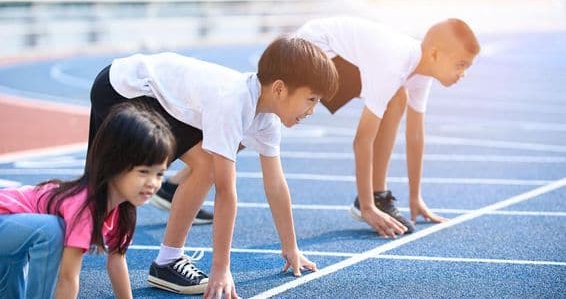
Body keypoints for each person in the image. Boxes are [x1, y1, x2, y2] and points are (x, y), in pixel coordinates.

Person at [87, 37, 339, 297]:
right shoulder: (232, 102)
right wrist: (220, 269)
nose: (313, 109)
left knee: (101, 186)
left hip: (149, 92)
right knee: (202, 166)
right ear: (279, 89)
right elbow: (225, 191)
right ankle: (166, 261)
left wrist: (291, 247)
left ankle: (165, 260)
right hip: (123, 88)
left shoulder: (266, 120)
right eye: (311, 99)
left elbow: (276, 184)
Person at [295, 16, 480, 237]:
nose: (464, 73)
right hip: (311, 50)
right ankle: (375, 199)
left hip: (330, 51)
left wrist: (415, 198)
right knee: (397, 97)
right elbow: (362, 140)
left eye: (467, 67)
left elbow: (415, 138)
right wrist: (367, 208)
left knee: (397, 97)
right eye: (460, 65)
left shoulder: (421, 73)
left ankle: (377, 196)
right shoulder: (393, 65)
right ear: (434, 54)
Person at [0, 102, 176, 298]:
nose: (153, 182)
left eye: (160, 174)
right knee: (52, 230)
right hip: (5, 224)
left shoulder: (123, 209)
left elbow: (117, 261)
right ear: (113, 164)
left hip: (11, 248)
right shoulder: (85, 207)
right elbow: (67, 278)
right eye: (143, 172)